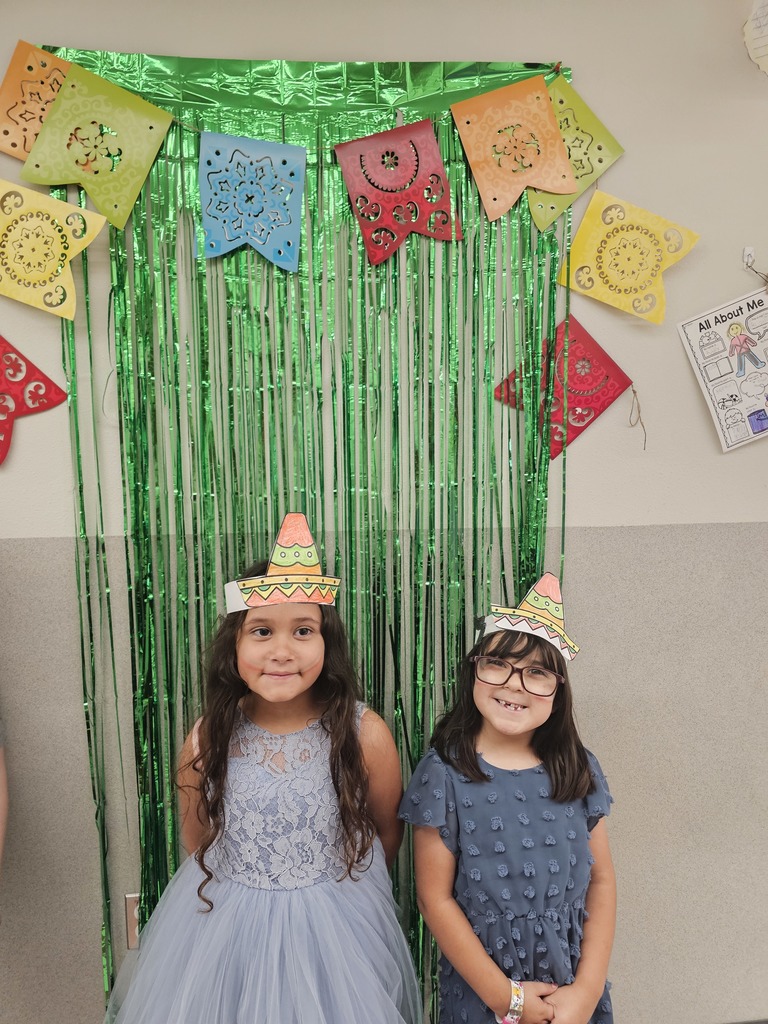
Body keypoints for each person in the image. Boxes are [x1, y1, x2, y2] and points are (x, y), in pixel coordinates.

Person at [107, 513, 421, 1024]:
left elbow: (386, 834)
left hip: (337, 929)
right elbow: (197, 835)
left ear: (327, 643)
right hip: (226, 930)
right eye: (261, 630)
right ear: (235, 645)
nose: (281, 651)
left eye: (303, 630)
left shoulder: (364, 734)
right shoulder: (207, 737)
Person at [400, 573, 615, 1024]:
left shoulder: (578, 767)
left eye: (537, 672)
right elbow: (434, 900)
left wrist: (587, 992)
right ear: (474, 671)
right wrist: (509, 999)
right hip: (485, 993)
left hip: (572, 990)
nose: (515, 684)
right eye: (497, 664)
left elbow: (601, 883)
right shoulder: (443, 775)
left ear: (558, 691)